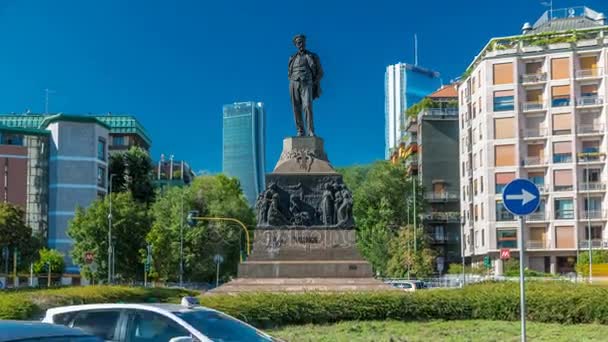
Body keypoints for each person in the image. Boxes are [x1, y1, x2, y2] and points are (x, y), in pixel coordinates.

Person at [288, 34, 323, 136]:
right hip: (294, 83)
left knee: (307, 106)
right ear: (296, 45)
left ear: (305, 42)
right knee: (295, 107)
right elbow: (289, 73)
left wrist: (314, 81)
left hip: (307, 82)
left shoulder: (312, 56)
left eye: (302, 42)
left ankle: (310, 131)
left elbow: (320, 72)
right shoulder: (291, 58)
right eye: (298, 42)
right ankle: (300, 130)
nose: (301, 44)